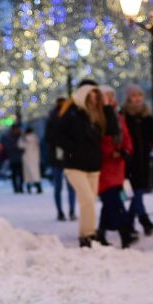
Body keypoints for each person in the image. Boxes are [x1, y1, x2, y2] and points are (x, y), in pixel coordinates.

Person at [56, 80, 106, 248]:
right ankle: (90, 234)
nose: (93, 99)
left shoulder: (98, 114)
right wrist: (71, 149)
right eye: (91, 95)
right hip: (75, 165)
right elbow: (55, 135)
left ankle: (86, 234)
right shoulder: (71, 113)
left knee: (89, 201)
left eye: (96, 95)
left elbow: (108, 131)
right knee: (87, 200)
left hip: (93, 164)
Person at [96, 85, 138, 248]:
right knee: (113, 200)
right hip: (106, 165)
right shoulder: (98, 116)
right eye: (106, 96)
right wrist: (111, 152)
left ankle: (101, 232)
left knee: (110, 202)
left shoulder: (118, 115)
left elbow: (126, 135)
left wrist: (126, 150)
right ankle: (125, 232)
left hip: (118, 165)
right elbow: (100, 140)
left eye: (112, 96)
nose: (110, 99)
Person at [121, 84, 153, 236]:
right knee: (136, 192)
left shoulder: (147, 116)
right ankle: (143, 221)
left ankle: (130, 221)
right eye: (134, 96)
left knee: (138, 192)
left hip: (143, 160)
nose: (137, 99)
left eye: (139, 95)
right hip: (129, 161)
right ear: (128, 98)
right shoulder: (124, 115)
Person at [45, 97, 77, 221]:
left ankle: (65, 212)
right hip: (63, 157)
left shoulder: (53, 118)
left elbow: (48, 138)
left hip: (61, 157)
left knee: (63, 187)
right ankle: (68, 211)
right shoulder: (68, 117)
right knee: (67, 187)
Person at [18, 127, 43, 194]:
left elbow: (20, 145)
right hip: (35, 158)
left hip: (27, 158)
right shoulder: (36, 138)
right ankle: (38, 187)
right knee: (36, 173)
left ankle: (29, 188)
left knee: (27, 174)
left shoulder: (24, 138)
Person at [1, 124, 25, 193]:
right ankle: (16, 188)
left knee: (20, 174)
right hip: (13, 158)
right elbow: (8, 147)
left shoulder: (20, 136)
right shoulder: (9, 137)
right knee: (14, 174)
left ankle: (20, 187)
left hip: (20, 158)